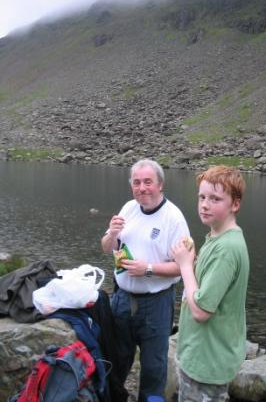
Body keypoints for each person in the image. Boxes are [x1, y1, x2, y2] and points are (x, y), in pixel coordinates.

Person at [101, 159, 190, 402]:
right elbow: (107, 247)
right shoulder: (128, 208)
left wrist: (147, 269)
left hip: (156, 304)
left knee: (153, 369)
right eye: (137, 182)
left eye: (148, 182)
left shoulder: (174, 219)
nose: (142, 188)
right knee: (116, 362)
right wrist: (111, 234)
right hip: (121, 299)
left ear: (160, 184)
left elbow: (182, 267)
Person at [172, 165, 249, 402]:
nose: (205, 204)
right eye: (202, 197)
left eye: (215, 198)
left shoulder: (226, 249)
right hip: (201, 354)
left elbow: (202, 312)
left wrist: (185, 265)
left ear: (235, 204)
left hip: (207, 362)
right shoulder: (216, 236)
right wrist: (193, 260)